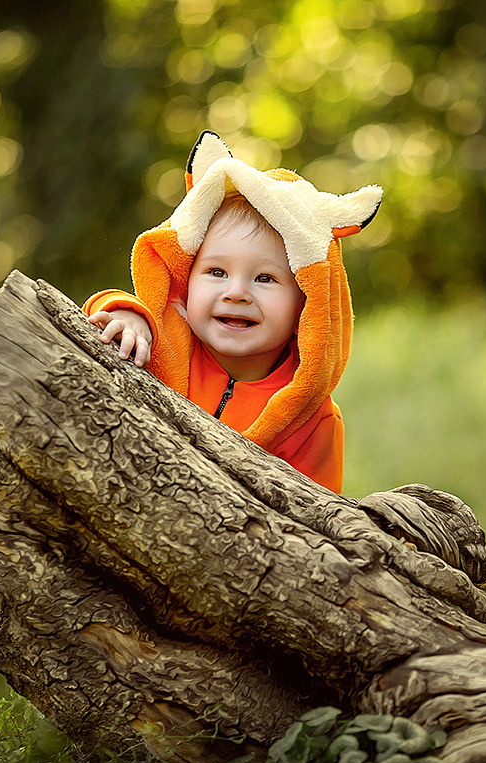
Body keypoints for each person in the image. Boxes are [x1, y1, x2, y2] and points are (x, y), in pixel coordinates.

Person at [83, 131, 382, 494]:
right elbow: (97, 313)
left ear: (305, 307)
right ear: (185, 282)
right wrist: (130, 316)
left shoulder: (310, 418)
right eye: (217, 272)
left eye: (265, 278)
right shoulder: (160, 342)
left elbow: (319, 515)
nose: (237, 292)